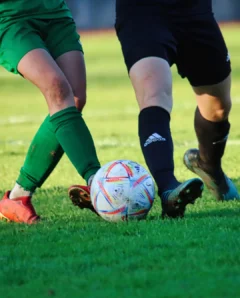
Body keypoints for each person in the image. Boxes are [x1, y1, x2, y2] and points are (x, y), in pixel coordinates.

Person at [70, 0, 240, 219]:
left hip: (194, 11)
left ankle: (209, 166)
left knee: (218, 107)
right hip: (142, 13)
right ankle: (168, 188)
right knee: (154, 94)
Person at [0, 0, 100, 224]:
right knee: (57, 88)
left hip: (54, 12)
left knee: (74, 99)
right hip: (11, 17)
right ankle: (98, 182)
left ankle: (19, 196)